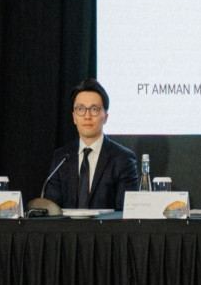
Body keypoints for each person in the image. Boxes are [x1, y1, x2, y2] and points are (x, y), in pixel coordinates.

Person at [44, 78, 138, 210]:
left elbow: (126, 213)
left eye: (94, 109)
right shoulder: (61, 158)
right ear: (74, 117)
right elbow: (51, 209)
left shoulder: (123, 159)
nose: (87, 116)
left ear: (105, 117)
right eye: (81, 109)